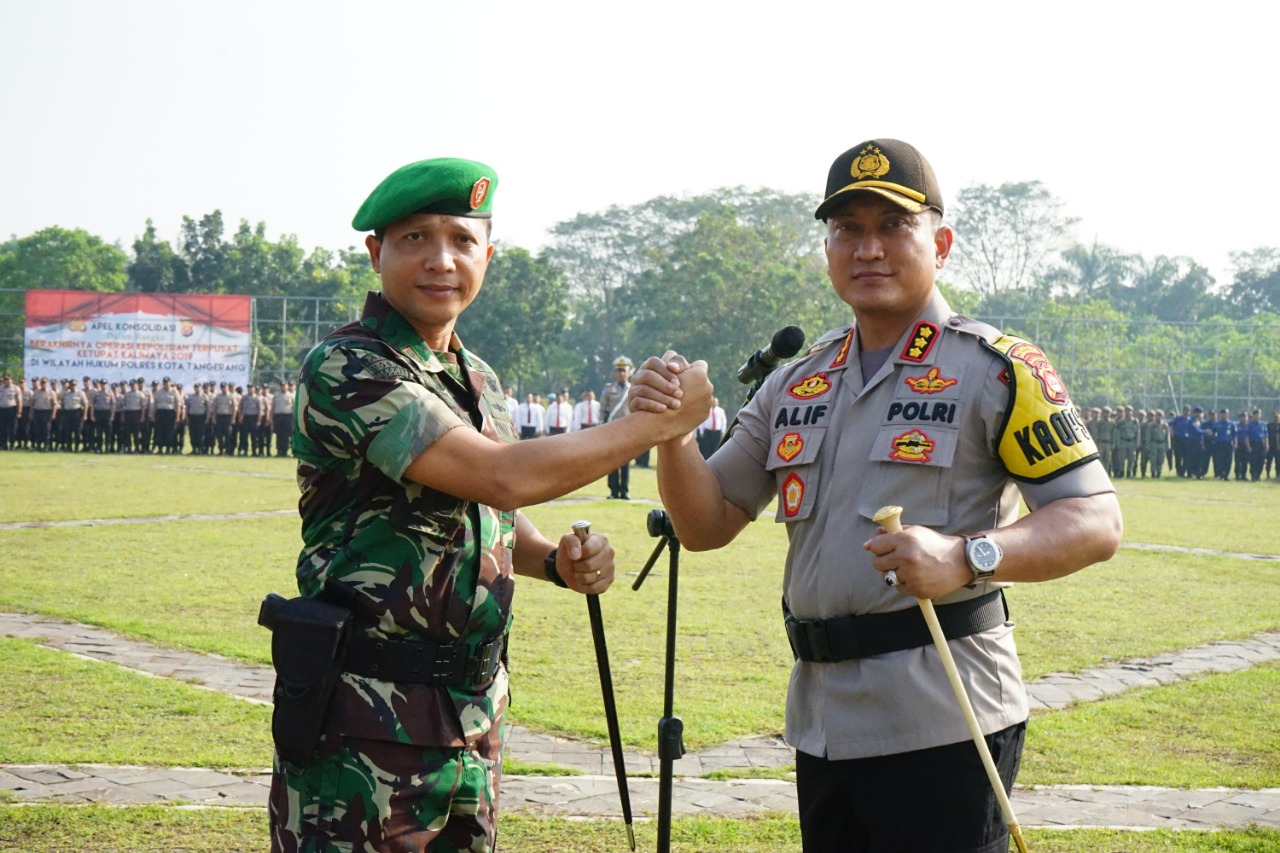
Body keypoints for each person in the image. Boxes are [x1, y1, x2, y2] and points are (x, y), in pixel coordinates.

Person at [630, 138, 1122, 853]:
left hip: (946, 715)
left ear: (941, 242)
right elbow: (707, 521)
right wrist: (672, 435)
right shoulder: (796, 380)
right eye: (848, 230)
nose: (868, 247)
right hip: (824, 719)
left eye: (893, 225)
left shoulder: (997, 370)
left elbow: (1096, 520)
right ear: (828, 247)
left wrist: (966, 555)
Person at [268, 157, 711, 853]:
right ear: (375, 252)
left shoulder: (476, 376)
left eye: (461, 240)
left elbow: (491, 511)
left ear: (488, 255)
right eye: (415, 238)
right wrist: (654, 426)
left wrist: (555, 560)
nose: (441, 259)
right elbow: (502, 475)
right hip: (363, 722)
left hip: (471, 718)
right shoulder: (350, 365)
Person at [599, 356, 633, 498]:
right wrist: (601, 425)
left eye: (623, 370)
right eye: (618, 371)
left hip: (627, 429)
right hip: (612, 429)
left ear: (629, 372)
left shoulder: (633, 389)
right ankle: (613, 491)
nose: (621, 373)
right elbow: (602, 409)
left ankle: (624, 491)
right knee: (612, 461)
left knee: (626, 461)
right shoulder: (608, 389)